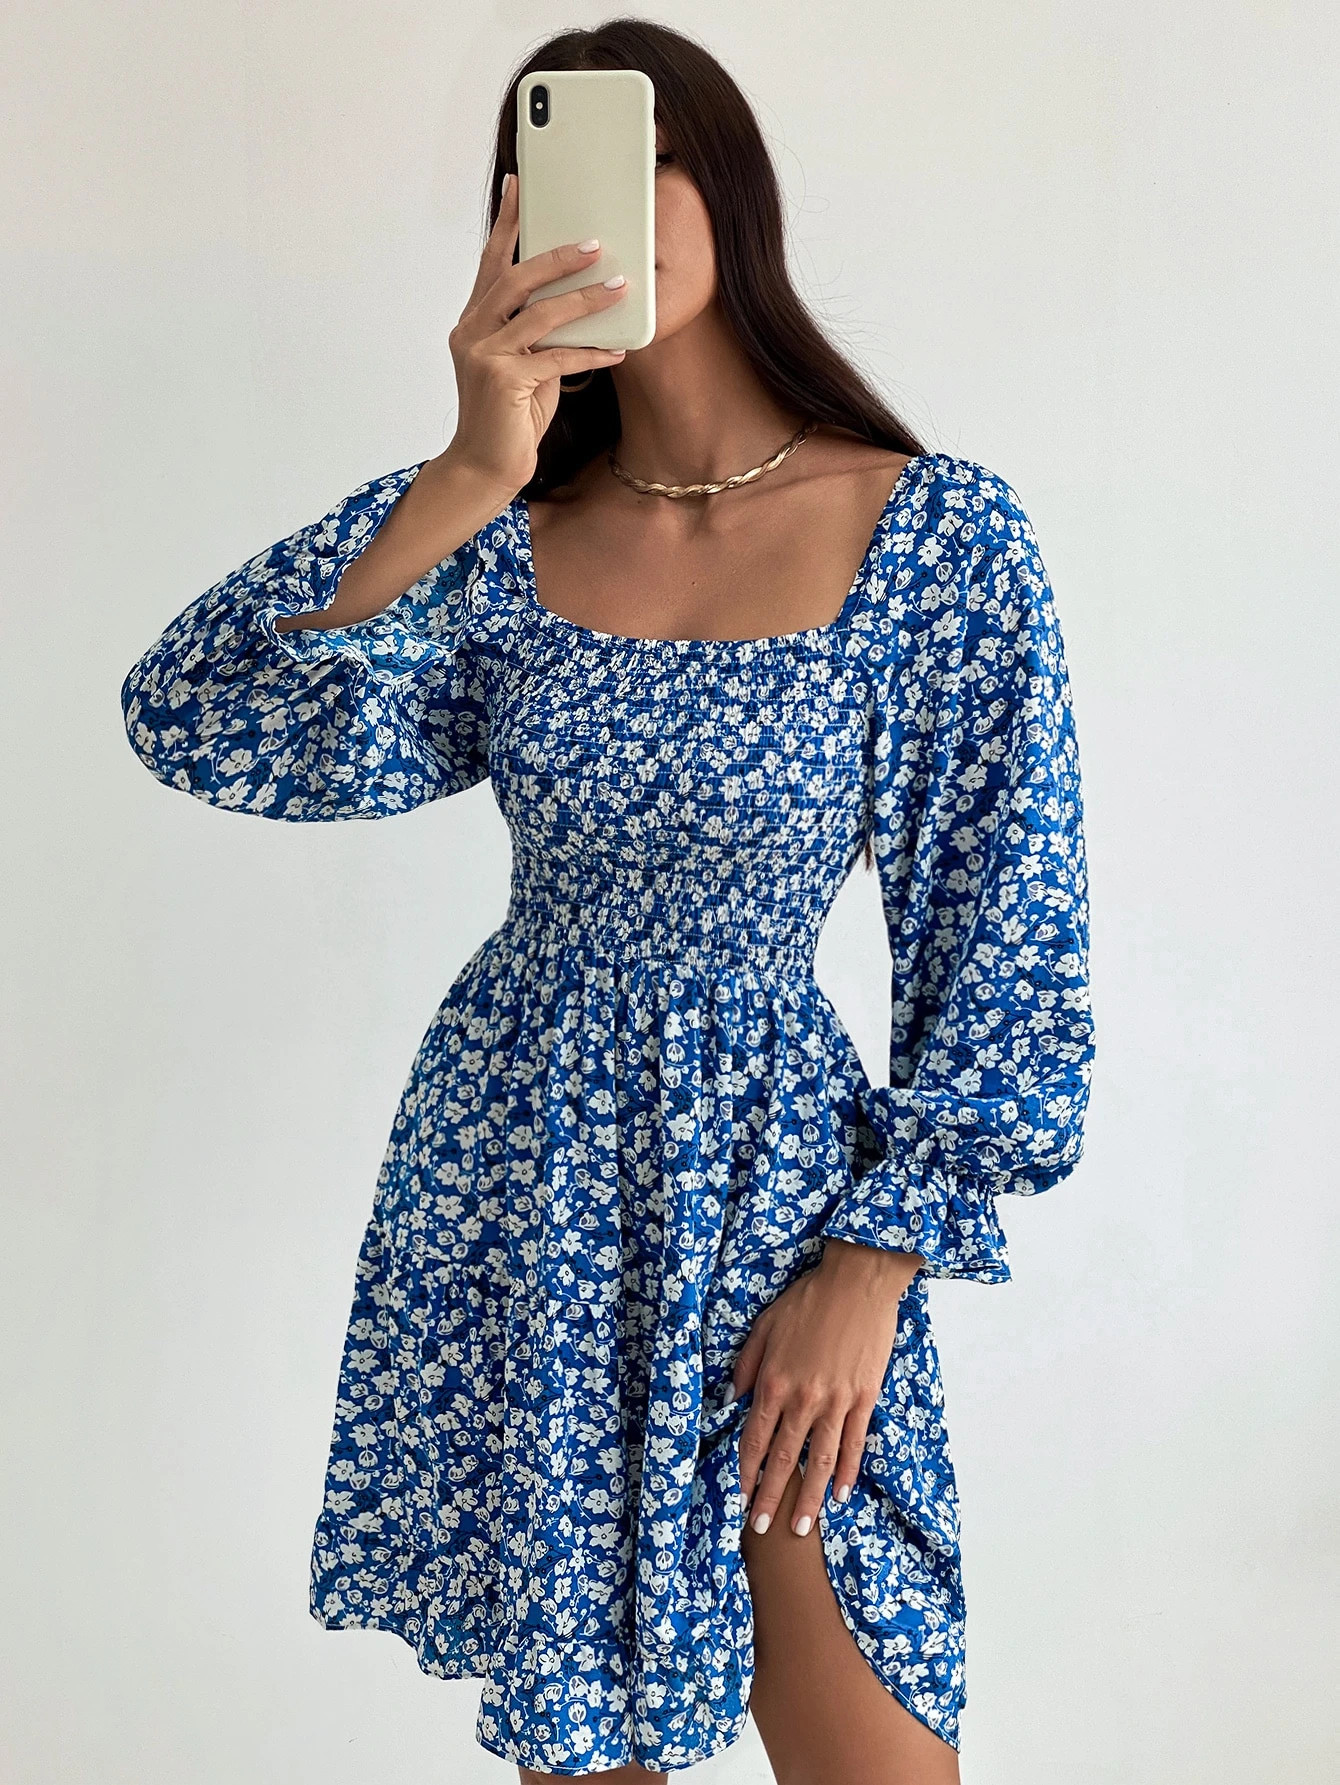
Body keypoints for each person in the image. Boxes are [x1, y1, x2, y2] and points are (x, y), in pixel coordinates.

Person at [119, 19, 1094, 1785]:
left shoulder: (934, 538)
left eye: (634, 166)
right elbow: (200, 713)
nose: (588, 221)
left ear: (727, 186)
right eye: (541, 182)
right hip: (534, 1169)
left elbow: (1008, 950)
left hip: (781, 1188)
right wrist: (468, 468)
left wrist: (874, 1264)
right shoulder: (500, 533)